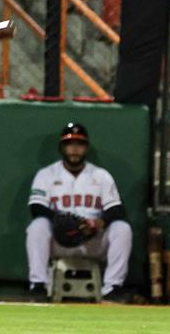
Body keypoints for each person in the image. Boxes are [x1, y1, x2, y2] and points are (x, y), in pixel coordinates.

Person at [25, 122, 132, 303]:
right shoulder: (46, 174)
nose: (74, 149)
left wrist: (100, 223)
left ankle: (113, 288)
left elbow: (116, 209)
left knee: (122, 228)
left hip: (92, 239)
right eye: (69, 144)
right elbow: (36, 207)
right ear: (62, 147)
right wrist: (62, 220)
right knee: (37, 226)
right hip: (59, 240)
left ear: (86, 148)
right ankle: (38, 284)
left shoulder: (101, 176)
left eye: (79, 144)